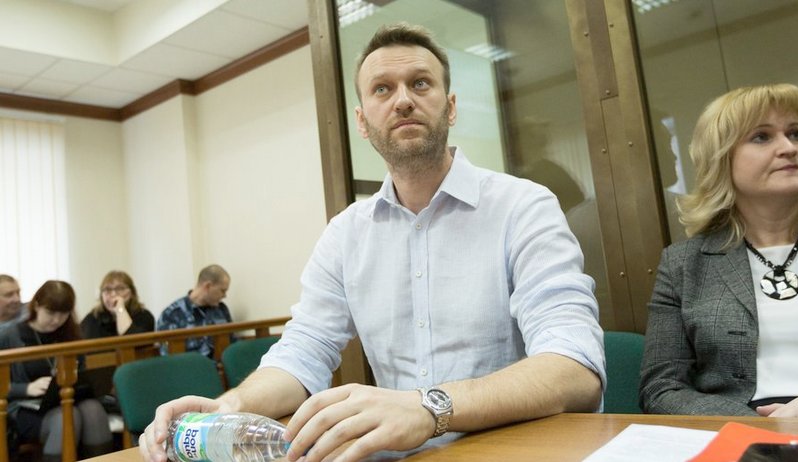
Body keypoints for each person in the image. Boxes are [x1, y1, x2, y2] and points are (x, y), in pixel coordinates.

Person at [140, 23, 604, 462]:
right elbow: (303, 352)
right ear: (362, 122)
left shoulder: (523, 206)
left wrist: (429, 408)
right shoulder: (345, 233)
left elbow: (575, 367)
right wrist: (230, 405)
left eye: (420, 83)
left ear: (451, 107)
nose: (403, 100)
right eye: (382, 89)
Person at [640, 83, 798, 418]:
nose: (788, 148)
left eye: (796, 134)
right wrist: (754, 424)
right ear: (722, 160)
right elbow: (661, 387)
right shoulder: (682, 264)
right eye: (762, 137)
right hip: (740, 429)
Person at [0, 280, 113, 461]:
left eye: (64, 314)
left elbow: (81, 371)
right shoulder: (9, 335)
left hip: (64, 398)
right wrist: (26, 388)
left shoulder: (69, 333)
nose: (56, 320)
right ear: (36, 305)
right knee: (67, 417)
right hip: (24, 406)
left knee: (93, 409)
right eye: (50, 313)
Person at [156, 264, 232, 358]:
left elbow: (232, 343)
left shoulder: (221, 309)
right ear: (208, 286)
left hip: (220, 365)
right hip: (188, 366)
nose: (224, 296)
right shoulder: (172, 314)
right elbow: (169, 357)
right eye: (222, 291)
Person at [81, 270, 154, 338]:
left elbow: (131, 341)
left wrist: (120, 309)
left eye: (120, 289)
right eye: (108, 289)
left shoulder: (144, 316)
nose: (113, 294)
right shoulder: (92, 318)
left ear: (131, 293)